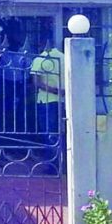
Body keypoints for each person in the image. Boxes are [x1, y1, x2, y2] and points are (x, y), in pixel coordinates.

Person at [30, 32, 65, 174]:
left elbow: (36, 82)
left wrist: (53, 90)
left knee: (49, 133)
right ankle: (64, 163)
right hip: (62, 101)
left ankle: (53, 165)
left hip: (46, 100)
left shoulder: (40, 59)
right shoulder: (64, 58)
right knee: (60, 132)